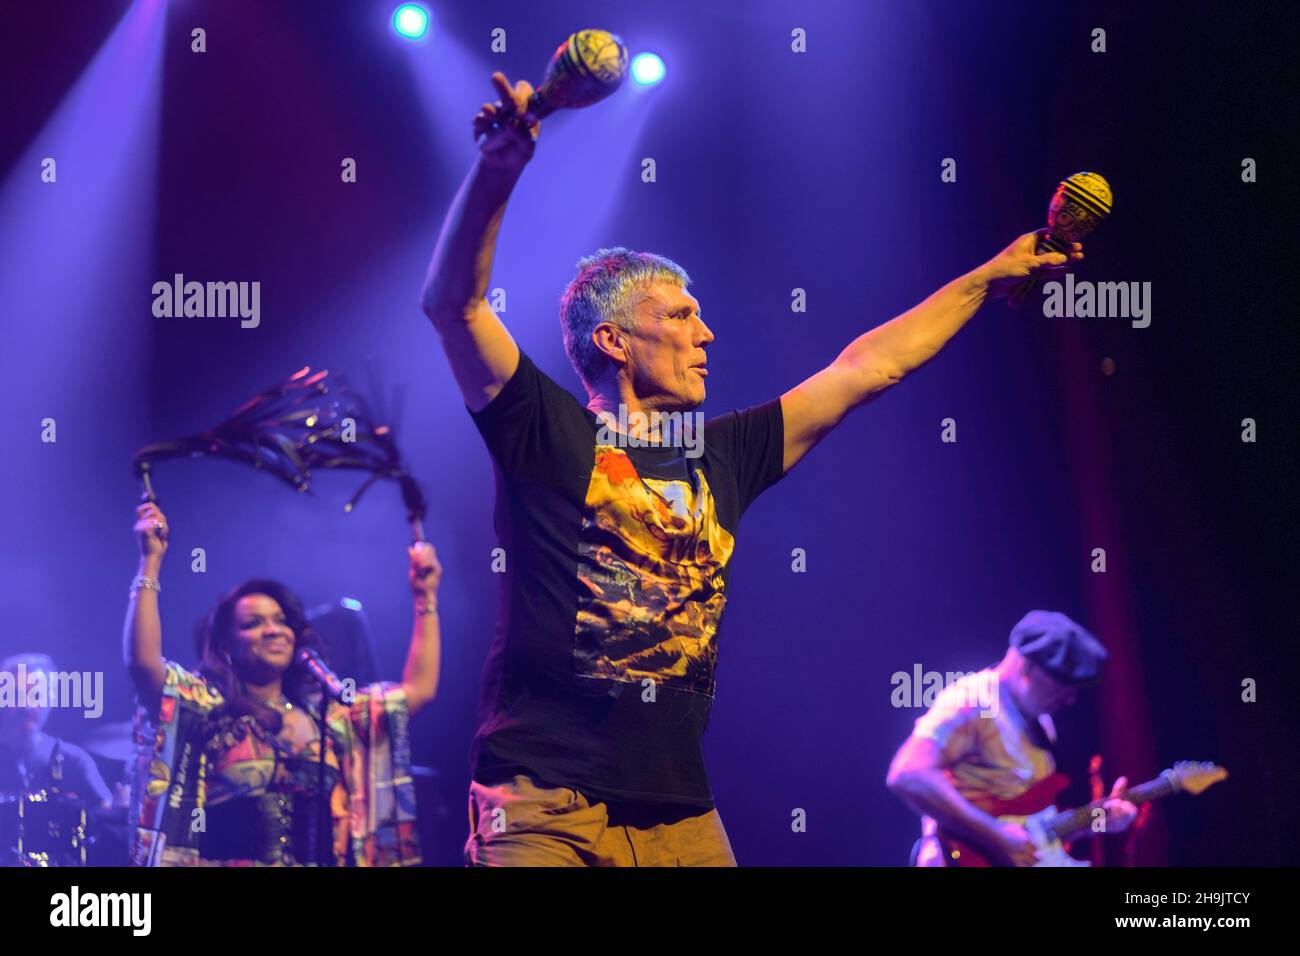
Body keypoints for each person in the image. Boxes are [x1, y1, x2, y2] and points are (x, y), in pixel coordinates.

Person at [420, 70, 1085, 867]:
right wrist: (498, 169)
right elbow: (453, 304)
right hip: (545, 805)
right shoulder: (543, 429)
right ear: (613, 341)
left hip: (680, 814)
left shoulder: (724, 453)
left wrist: (988, 275)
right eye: (679, 316)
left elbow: (867, 368)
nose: (706, 335)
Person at [122, 501, 441, 866]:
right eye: (253, 623)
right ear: (226, 645)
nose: (273, 630)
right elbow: (143, 665)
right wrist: (150, 560)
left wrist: (424, 597)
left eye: (281, 620)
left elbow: (419, 691)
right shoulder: (204, 708)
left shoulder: (329, 719)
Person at [886, 610, 1138, 866]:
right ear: (1027, 665)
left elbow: (1031, 825)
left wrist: (1094, 821)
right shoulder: (973, 702)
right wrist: (996, 835)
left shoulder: (1039, 721)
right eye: (1062, 683)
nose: (1070, 698)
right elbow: (909, 773)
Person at [0, 653, 113, 809]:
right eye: (16, 695)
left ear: (51, 700)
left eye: (36, 695)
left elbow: (106, 814)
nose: (25, 705)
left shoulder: (73, 760)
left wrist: (120, 811)